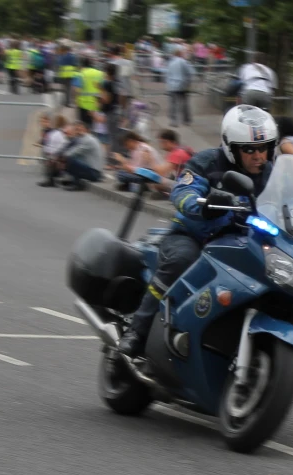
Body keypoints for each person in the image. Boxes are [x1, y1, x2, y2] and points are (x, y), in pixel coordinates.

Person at [117, 105, 278, 360]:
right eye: (249, 149)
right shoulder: (207, 162)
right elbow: (182, 192)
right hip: (195, 237)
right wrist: (203, 206)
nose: (259, 155)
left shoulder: (273, 172)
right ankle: (137, 332)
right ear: (231, 146)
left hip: (243, 244)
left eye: (264, 147)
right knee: (182, 260)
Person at [55, 120, 104, 191]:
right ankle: (74, 181)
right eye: (77, 129)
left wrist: (61, 159)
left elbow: (73, 152)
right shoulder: (83, 139)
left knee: (70, 160)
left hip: (95, 173)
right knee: (69, 160)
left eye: (80, 129)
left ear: (87, 130)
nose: (78, 131)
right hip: (91, 169)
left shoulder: (88, 140)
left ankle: (77, 184)